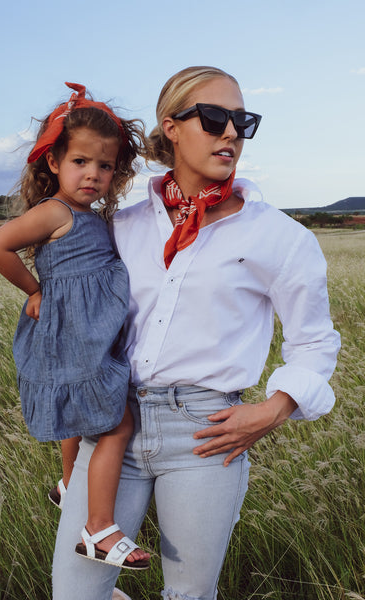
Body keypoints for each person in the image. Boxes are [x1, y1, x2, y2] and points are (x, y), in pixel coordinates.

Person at [51, 67, 341, 600]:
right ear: (172, 127)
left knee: (188, 595)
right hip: (113, 423)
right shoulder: (124, 225)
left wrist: (273, 409)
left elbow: (315, 342)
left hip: (205, 437)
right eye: (213, 118)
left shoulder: (280, 237)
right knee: (76, 593)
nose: (230, 132)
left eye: (242, 121)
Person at [0, 82, 150, 572]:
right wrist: (35, 291)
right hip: (68, 336)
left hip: (85, 337)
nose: (94, 174)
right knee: (116, 425)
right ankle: (98, 528)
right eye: (81, 162)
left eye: (105, 165)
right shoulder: (55, 211)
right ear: (54, 162)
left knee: (79, 415)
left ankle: (69, 482)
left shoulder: (90, 215)